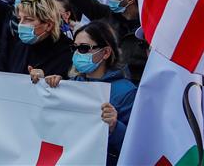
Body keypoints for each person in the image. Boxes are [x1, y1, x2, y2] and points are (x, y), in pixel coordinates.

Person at [45, 21, 136, 166]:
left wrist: (114, 126)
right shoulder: (71, 84)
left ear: (105, 52)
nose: (76, 53)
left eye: (83, 48)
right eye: (74, 48)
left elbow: (136, 146)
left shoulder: (126, 92)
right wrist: (45, 87)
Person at [0, 0, 72, 78]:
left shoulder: (68, 53)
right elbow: (4, 71)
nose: (21, 24)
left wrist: (46, 77)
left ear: (48, 25)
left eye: (28, 19)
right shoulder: (16, 45)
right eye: (20, 19)